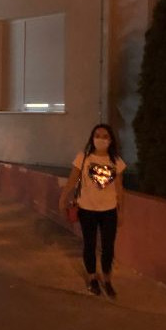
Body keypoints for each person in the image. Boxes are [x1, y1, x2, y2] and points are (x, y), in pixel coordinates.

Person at [59, 123, 126, 298]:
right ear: (92, 138)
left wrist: (121, 211)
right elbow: (72, 180)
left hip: (109, 210)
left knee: (108, 247)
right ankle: (92, 278)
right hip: (87, 209)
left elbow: (119, 188)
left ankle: (107, 279)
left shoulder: (116, 161)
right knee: (89, 245)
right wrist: (62, 199)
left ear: (110, 140)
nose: (100, 139)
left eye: (105, 136)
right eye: (97, 135)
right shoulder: (83, 158)